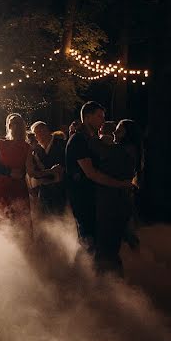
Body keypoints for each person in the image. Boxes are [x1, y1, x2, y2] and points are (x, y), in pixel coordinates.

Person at [66, 102, 135, 249]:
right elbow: (92, 173)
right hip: (83, 199)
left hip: (93, 199)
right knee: (88, 244)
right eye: (99, 116)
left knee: (95, 243)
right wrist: (121, 184)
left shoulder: (89, 140)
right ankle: (82, 272)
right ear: (87, 117)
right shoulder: (78, 140)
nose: (103, 120)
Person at [94, 119, 144, 276]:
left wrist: (101, 141)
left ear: (128, 135)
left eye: (119, 130)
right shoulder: (125, 149)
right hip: (120, 198)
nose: (115, 132)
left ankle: (117, 277)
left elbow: (114, 161)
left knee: (116, 237)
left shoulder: (127, 150)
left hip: (119, 199)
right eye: (116, 129)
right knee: (121, 235)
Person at [0, 113, 39, 221]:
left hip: (4, 186)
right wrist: (51, 172)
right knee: (18, 222)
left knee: (4, 222)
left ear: (8, 126)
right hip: (14, 187)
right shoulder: (26, 147)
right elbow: (31, 172)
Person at [30, 122, 66, 215]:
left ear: (46, 130)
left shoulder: (61, 144)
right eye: (35, 133)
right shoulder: (36, 150)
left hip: (62, 189)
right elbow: (35, 172)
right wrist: (50, 172)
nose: (37, 136)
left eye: (39, 131)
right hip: (45, 191)